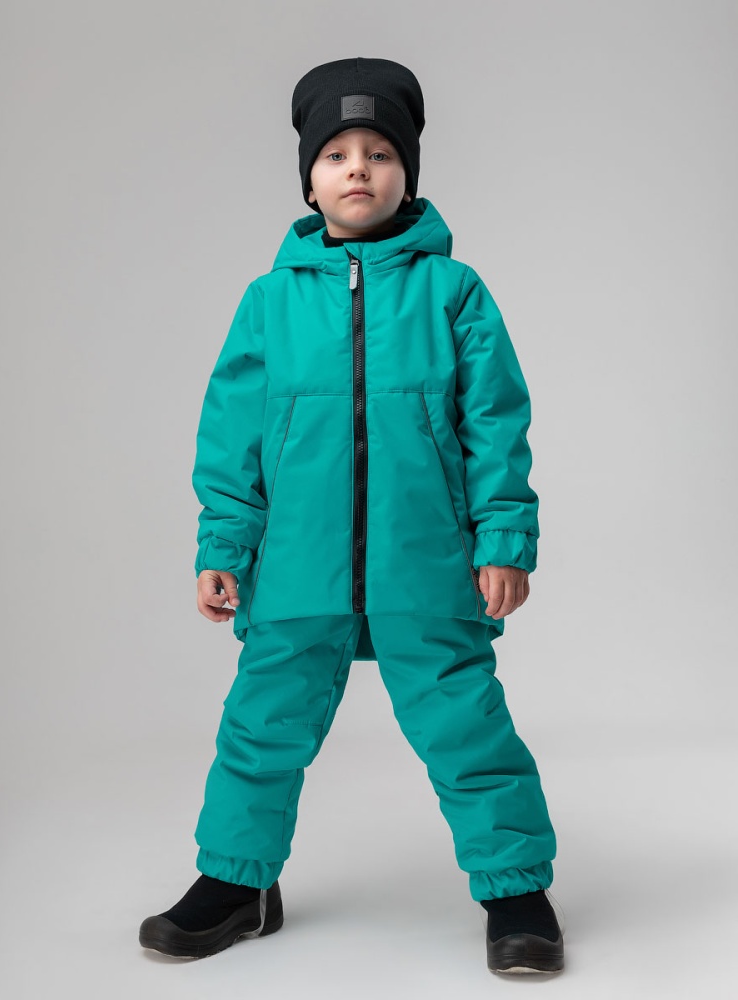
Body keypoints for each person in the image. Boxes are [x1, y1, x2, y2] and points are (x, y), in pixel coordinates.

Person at [139, 56, 565, 976]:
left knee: (466, 727)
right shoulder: (269, 301)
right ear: (310, 180)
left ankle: (516, 891)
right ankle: (237, 884)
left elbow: (496, 424)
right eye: (336, 155)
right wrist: (224, 546)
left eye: (380, 153)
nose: (358, 169)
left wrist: (504, 540)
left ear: (409, 173)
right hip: (297, 562)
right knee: (261, 726)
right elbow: (233, 438)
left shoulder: (453, 292)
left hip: (427, 560)